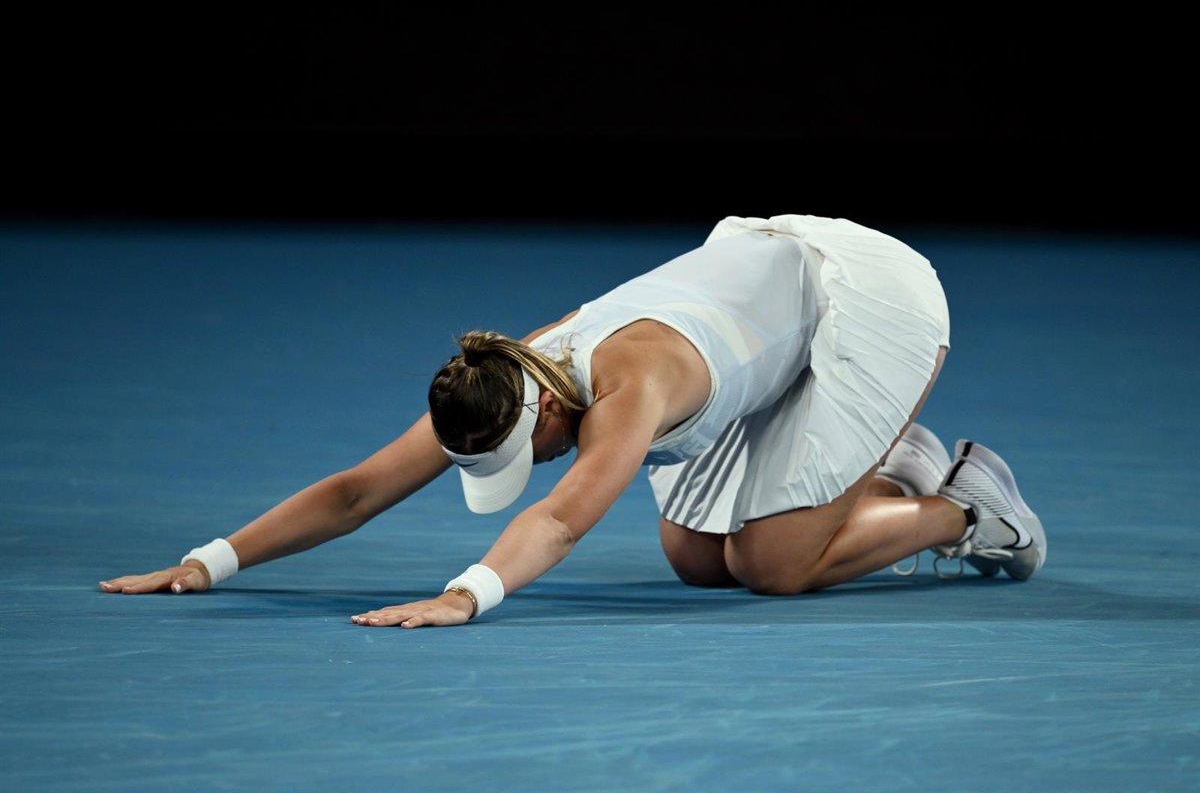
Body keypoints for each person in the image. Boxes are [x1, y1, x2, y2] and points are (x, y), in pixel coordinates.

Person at [99, 214, 1046, 627]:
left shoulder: (630, 389)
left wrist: (465, 595)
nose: (541, 463)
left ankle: (969, 507)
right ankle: (887, 467)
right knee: (695, 558)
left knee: (772, 565)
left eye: (536, 451)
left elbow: (557, 522)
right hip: (771, 310)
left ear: (549, 406)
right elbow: (356, 491)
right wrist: (209, 562)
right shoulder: (501, 381)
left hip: (865, 301)